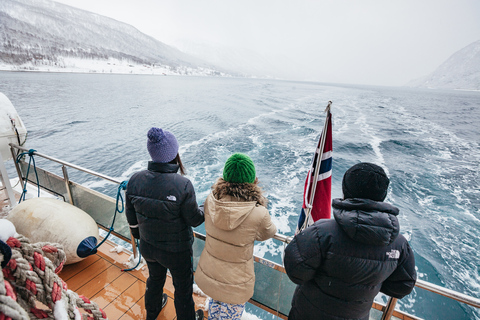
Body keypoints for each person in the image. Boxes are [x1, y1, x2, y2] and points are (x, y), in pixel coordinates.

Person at [284, 162, 416, 320]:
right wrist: (369, 284)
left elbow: (295, 271)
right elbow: (403, 286)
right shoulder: (399, 244)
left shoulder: (323, 232)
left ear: (346, 190)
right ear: (382, 195)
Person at [125, 127, 205, 320]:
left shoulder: (134, 180)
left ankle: (152, 313)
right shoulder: (182, 185)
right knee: (183, 289)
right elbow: (195, 220)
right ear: (173, 154)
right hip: (177, 252)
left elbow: (131, 220)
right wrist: (205, 206)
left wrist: (141, 238)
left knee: (155, 279)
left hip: (148, 247)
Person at [195, 153, 277, 320]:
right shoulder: (258, 213)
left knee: (215, 308)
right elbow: (270, 231)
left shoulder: (210, 200)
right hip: (236, 285)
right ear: (252, 180)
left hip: (210, 275)